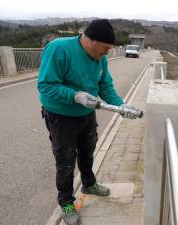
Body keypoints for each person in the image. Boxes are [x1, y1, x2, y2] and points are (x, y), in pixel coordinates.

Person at [37, 19, 139, 225]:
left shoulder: (99, 58)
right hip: (60, 116)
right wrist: (75, 96)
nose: (106, 53)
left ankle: (89, 183)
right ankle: (66, 202)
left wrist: (121, 106)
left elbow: (105, 86)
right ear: (92, 41)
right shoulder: (59, 49)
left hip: (86, 114)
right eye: (105, 48)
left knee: (87, 150)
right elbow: (46, 85)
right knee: (65, 159)